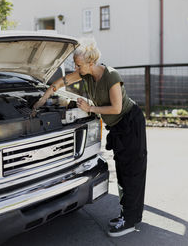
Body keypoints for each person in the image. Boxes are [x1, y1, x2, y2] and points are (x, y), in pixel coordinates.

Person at [32, 38, 147, 237]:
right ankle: (129, 215)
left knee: (132, 172)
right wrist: (41, 101)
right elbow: (60, 82)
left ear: (91, 63)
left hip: (131, 123)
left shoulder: (111, 76)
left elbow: (116, 107)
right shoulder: (85, 75)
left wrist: (90, 108)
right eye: (75, 64)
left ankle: (129, 220)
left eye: (78, 65)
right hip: (117, 126)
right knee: (122, 171)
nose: (76, 68)